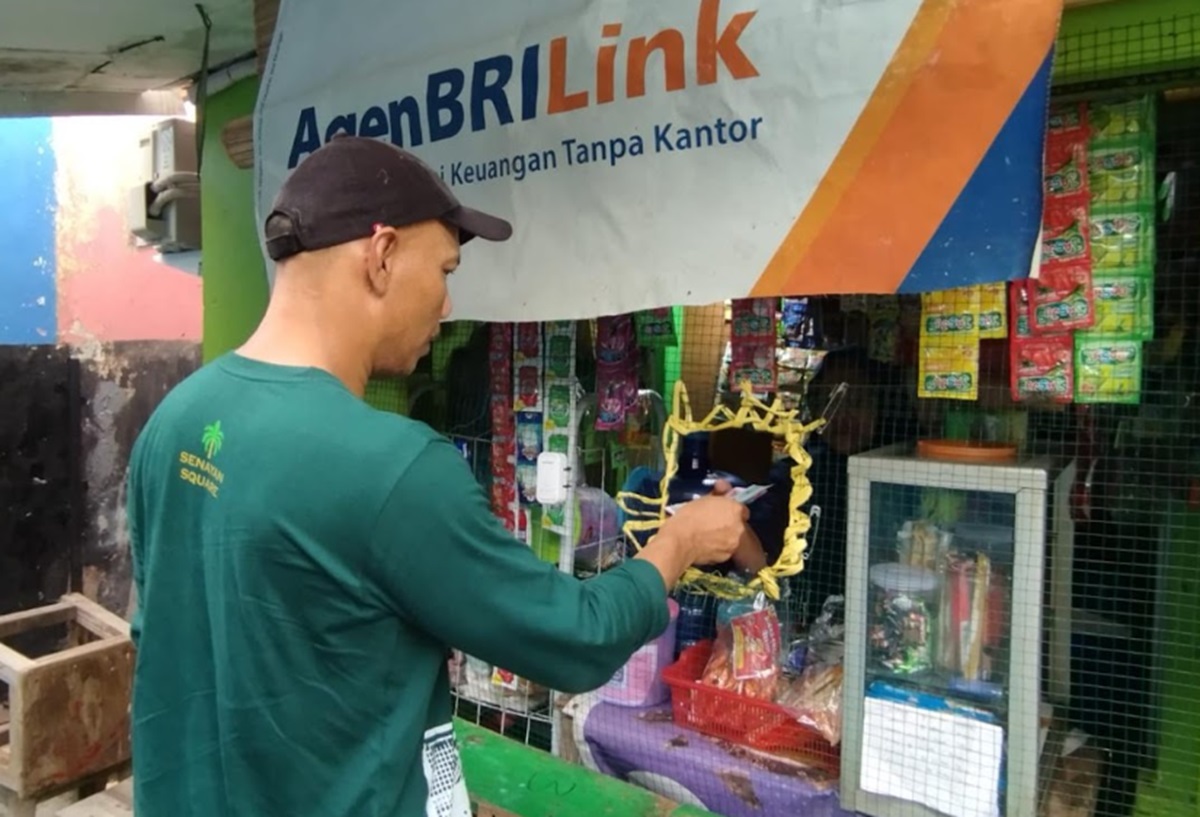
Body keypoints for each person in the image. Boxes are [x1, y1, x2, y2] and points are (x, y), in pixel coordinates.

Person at [124, 136, 752, 817]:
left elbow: (158, 636)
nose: (447, 305)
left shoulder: (175, 421)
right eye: (446, 270)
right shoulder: (392, 466)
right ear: (382, 255)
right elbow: (578, 637)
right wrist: (681, 542)